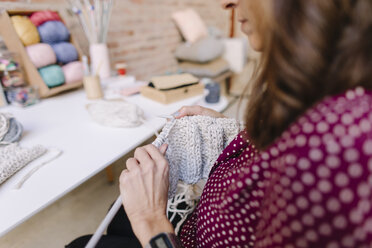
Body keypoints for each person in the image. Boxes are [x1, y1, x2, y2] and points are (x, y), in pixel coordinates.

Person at [67, 0, 372, 247]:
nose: (228, 3)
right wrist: (236, 134)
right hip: (195, 226)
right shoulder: (324, 92)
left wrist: (150, 221)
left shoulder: (342, 145)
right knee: (118, 213)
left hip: (182, 236)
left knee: (83, 242)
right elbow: (283, 150)